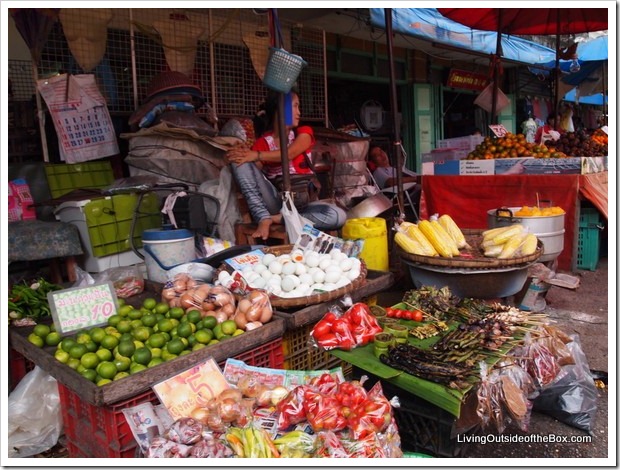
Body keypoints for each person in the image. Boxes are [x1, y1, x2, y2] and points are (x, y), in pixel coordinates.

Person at [226, 90, 346, 241]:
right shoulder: (263, 143)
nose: (299, 112)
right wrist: (238, 154)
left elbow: (289, 153)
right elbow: (251, 176)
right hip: (277, 202)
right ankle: (263, 217)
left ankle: (278, 219)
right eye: (295, 106)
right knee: (240, 162)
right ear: (281, 109)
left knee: (337, 216)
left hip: (304, 205)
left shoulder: (303, 133)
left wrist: (256, 155)